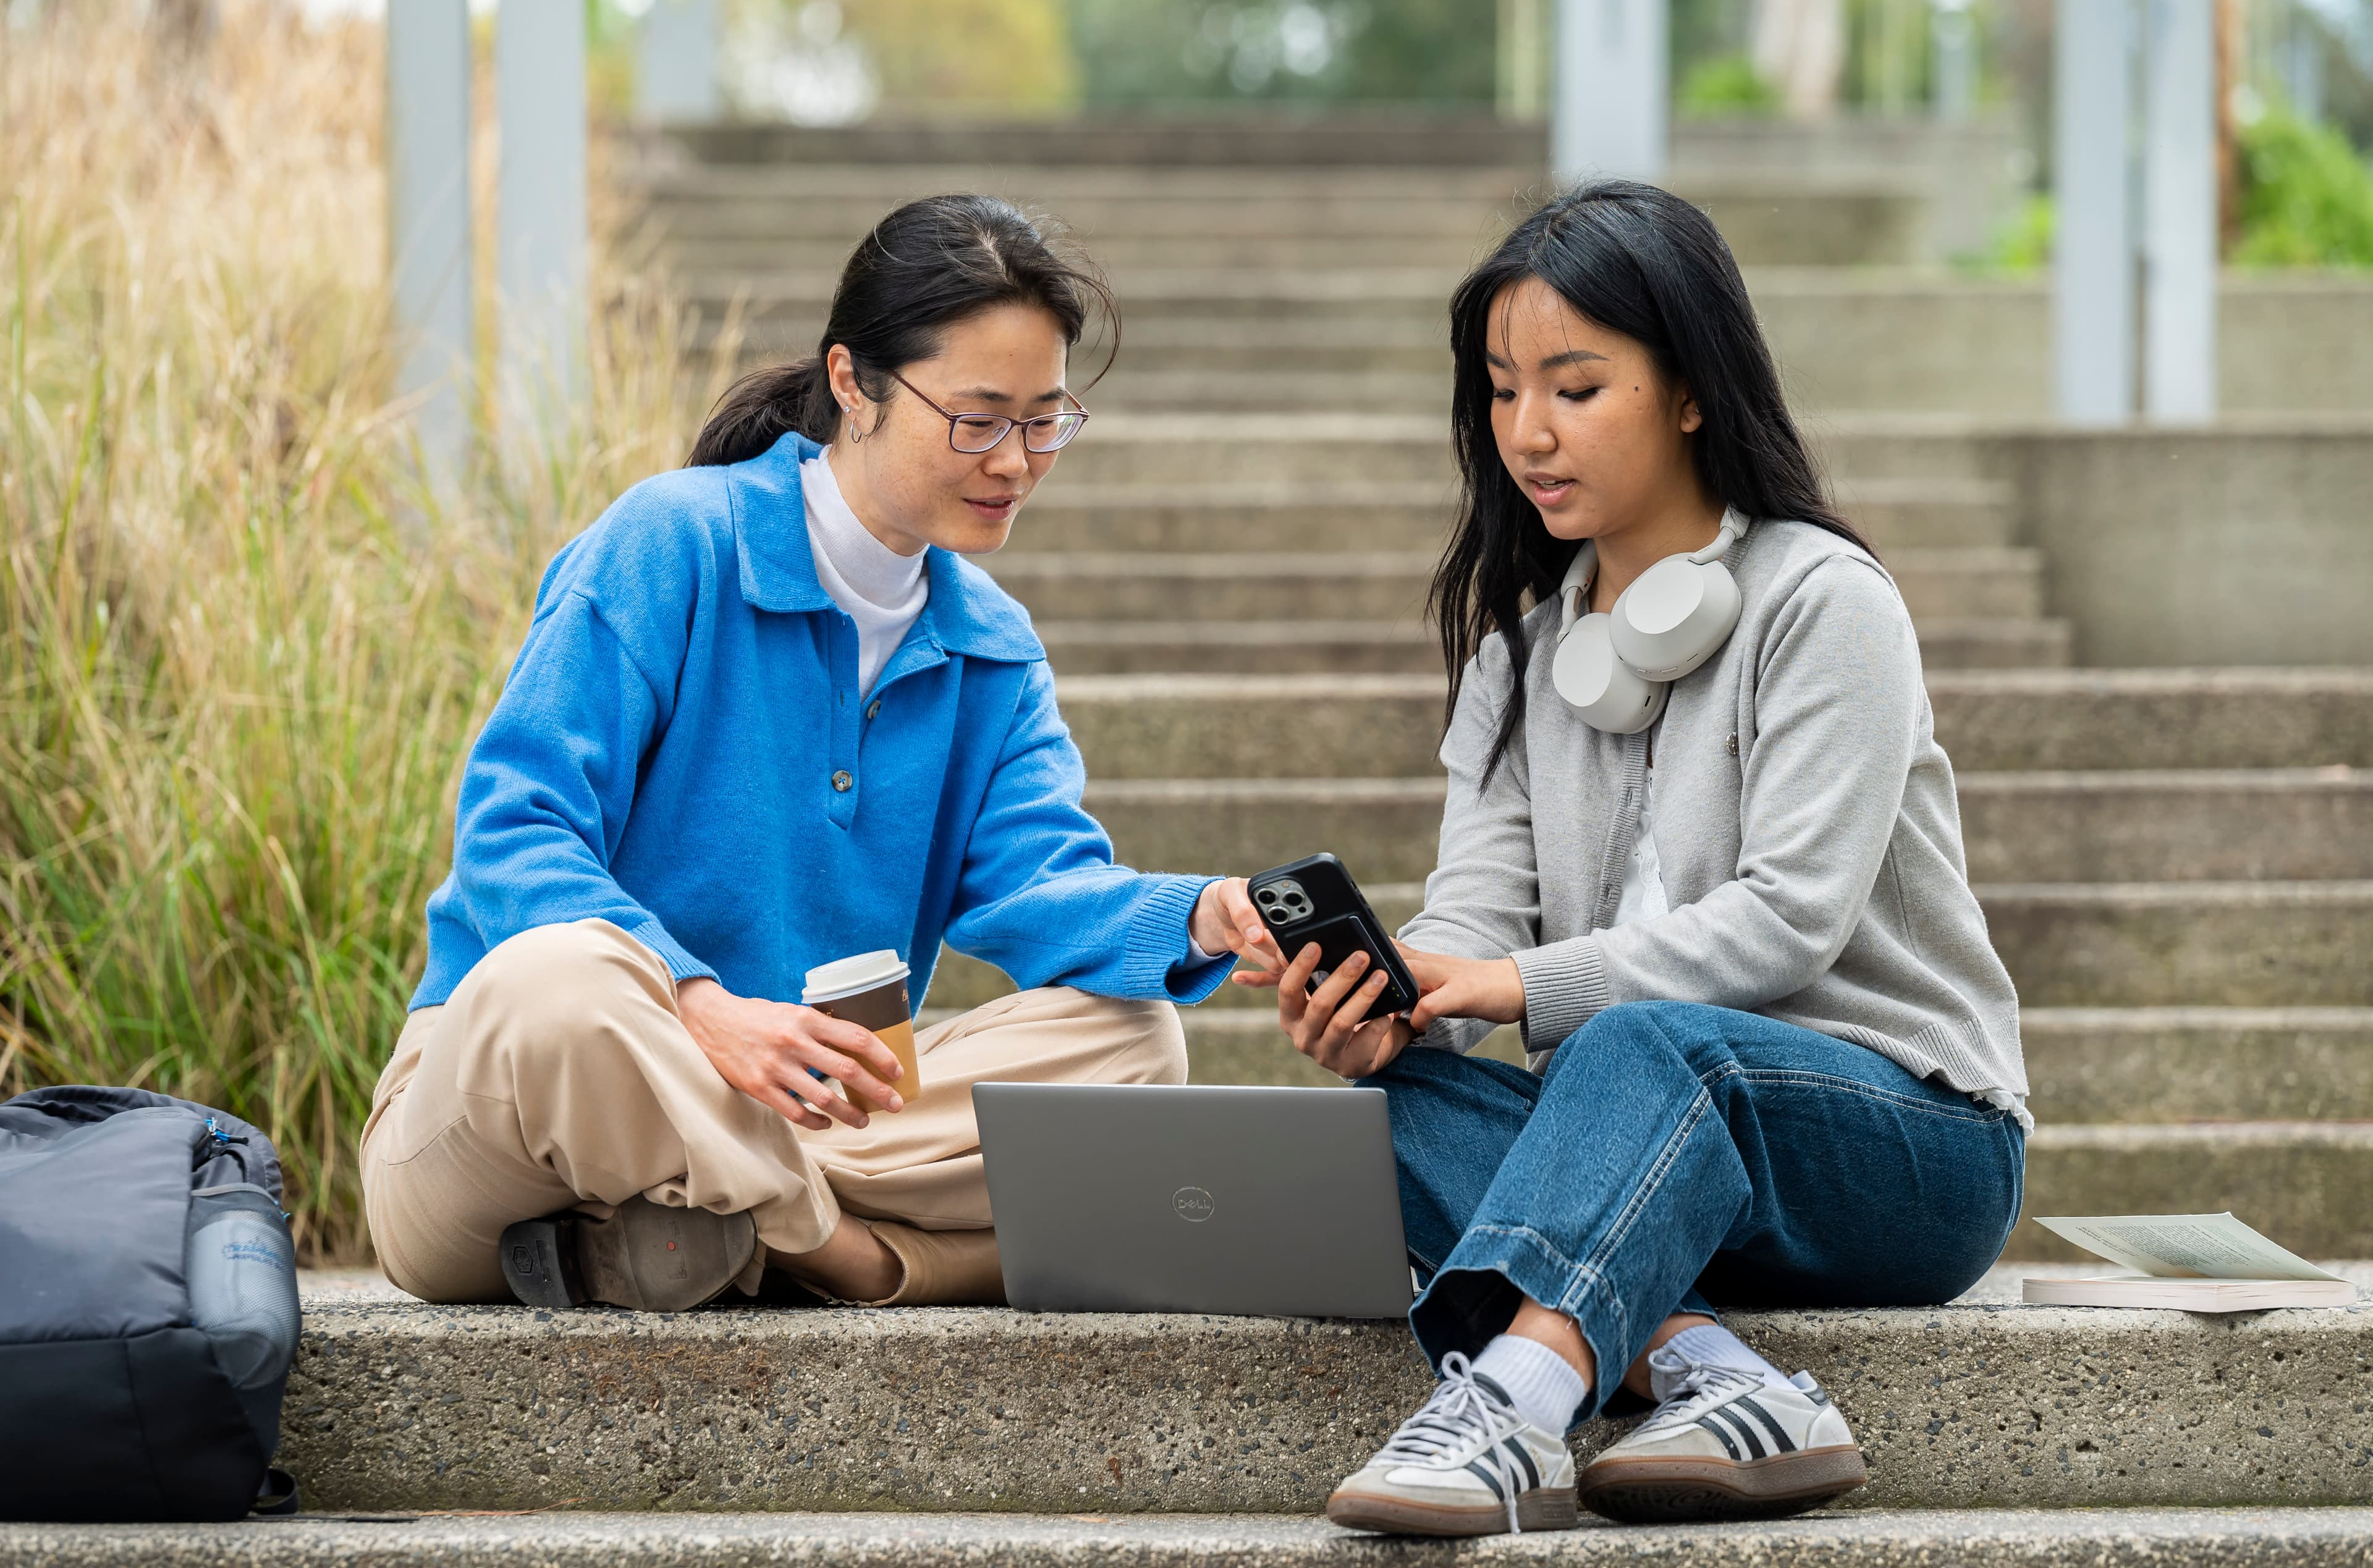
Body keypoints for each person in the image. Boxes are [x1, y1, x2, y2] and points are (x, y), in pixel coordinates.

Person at [1238, 182, 2028, 1534]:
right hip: (1653, 1159)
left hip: (1909, 1145)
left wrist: (1504, 986)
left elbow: (1787, 923)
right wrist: (1397, 1002)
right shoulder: (1523, 658)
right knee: (1389, 1110)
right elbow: (1473, 919)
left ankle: (1512, 1405)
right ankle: (1718, 1374)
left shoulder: (1827, 603)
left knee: (1637, 1040)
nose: (1526, 431)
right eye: (1499, 390)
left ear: (1690, 390)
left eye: (1575, 384)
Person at [361, 195, 1280, 1312]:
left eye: (1045, 420)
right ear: (854, 383)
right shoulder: (672, 542)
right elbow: (514, 832)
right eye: (978, 418)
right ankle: (857, 1256)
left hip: (799, 1113)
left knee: (1133, 1043)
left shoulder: (990, 649)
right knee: (557, 982)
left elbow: (1043, 890)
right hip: (508, 1135)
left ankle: (689, 1230)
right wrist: (697, 1006)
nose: (1016, 462)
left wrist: (1204, 916)